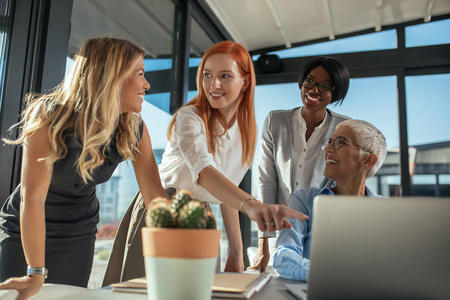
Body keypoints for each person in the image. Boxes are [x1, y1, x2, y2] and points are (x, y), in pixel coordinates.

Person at [103, 41, 308, 284]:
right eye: (207, 75)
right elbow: (205, 173)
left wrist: (236, 250)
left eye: (225, 76)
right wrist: (253, 206)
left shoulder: (246, 132)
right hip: (161, 207)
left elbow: (225, 191)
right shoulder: (189, 117)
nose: (214, 85)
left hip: (200, 216)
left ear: (245, 81)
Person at [0, 37, 168, 299]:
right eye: (140, 74)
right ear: (113, 76)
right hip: (26, 229)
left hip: (78, 231)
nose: (146, 84)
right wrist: (35, 272)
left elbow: (155, 196)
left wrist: (185, 237)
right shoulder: (49, 115)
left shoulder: (134, 128)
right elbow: (31, 198)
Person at [250, 56, 351, 272]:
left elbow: (341, 182)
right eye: (309, 81)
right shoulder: (275, 121)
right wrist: (263, 242)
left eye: (325, 86)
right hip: (281, 228)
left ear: (336, 92)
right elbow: (266, 178)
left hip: (322, 229)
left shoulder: (343, 128)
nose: (314, 90)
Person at [273, 119, 387, 281]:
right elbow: (284, 254)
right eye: (329, 142)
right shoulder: (305, 200)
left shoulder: (387, 210)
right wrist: (328, 275)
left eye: (340, 143)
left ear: (368, 160)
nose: (327, 149)